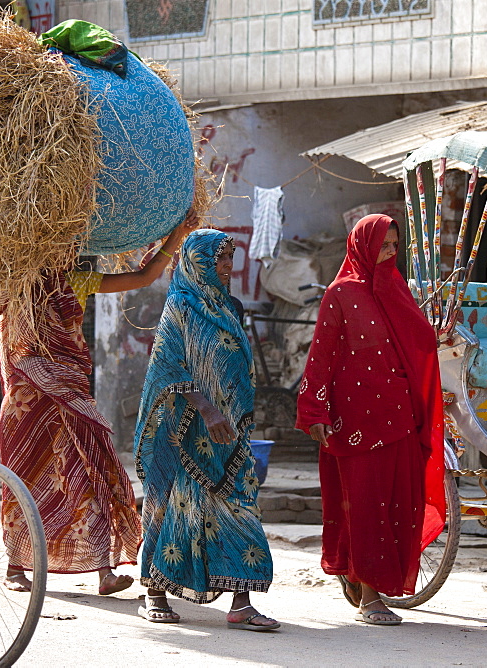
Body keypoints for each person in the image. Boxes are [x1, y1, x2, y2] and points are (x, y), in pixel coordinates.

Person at [0, 213, 196, 595]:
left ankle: (103, 571)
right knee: (25, 481)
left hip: (71, 394)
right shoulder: (18, 285)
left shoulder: (78, 281)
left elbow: (143, 277)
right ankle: (16, 566)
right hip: (27, 402)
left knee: (90, 473)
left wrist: (177, 234)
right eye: (62, 243)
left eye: (73, 244)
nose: (70, 251)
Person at [296, 214, 447, 626]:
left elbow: (418, 344)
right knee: (365, 507)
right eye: (383, 246)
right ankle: (370, 597)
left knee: (399, 505)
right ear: (363, 246)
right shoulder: (340, 294)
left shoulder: (397, 290)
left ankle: (360, 575)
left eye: (395, 246)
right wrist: (314, 411)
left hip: (399, 418)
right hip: (354, 424)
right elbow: (321, 357)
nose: (390, 253)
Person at [133, 228, 279, 631]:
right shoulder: (179, 306)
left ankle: (242, 602)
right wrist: (206, 409)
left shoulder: (230, 305)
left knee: (238, 505)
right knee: (168, 506)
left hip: (229, 432)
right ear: (198, 262)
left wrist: (231, 412)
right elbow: (167, 365)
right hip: (183, 429)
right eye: (221, 261)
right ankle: (154, 591)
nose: (229, 269)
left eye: (231, 260)